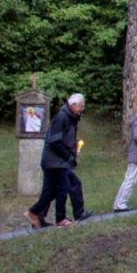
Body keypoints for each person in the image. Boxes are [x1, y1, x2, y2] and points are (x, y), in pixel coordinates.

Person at [25, 93, 91, 228]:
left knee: (51, 191)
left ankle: (37, 216)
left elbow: (64, 137)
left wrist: (74, 144)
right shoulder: (62, 117)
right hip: (55, 161)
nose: (82, 109)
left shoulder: (70, 117)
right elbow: (55, 141)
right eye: (81, 106)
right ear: (73, 105)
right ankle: (59, 219)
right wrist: (68, 156)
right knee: (63, 188)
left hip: (55, 161)